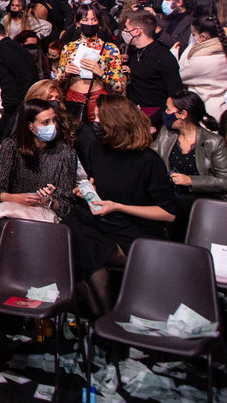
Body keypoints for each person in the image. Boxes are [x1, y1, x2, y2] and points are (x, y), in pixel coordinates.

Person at [69, 94, 177, 315]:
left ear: (115, 121)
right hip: (105, 223)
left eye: (99, 118)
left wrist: (118, 206)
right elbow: (105, 187)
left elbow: (169, 213)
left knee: (86, 249)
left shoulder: (148, 161)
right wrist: (90, 191)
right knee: (66, 231)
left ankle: (105, 319)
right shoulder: (99, 150)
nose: (94, 123)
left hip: (137, 232)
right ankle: (98, 317)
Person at [152, 90, 227, 231]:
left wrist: (191, 181)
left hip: (206, 203)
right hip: (174, 201)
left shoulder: (213, 142)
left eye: (168, 109)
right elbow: (152, 160)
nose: (165, 113)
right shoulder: (167, 134)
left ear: (183, 114)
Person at [0, 99, 78, 222]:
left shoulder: (66, 154)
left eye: (54, 120)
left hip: (45, 220)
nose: (53, 125)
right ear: (31, 126)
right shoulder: (11, 147)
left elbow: (66, 205)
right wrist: (16, 198)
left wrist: (49, 202)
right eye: (46, 122)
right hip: (12, 216)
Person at [57, 5, 124, 123]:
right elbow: (57, 83)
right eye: (85, 19)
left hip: (99, 99)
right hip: (73, 98)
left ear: (98, 22)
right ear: (77, 23)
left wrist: (101, 73)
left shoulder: (110, 49)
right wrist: (66, 73)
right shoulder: (68, 48)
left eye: (94, 20)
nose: (90, 23)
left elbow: (120, 87)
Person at [121, 9, 183, 125]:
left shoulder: (164, 57)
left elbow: (175, 94)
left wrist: (154, 120)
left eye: (127, 29)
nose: (124, 32)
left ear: (137, 31)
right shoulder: (134, 53)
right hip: (134, 114)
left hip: (154, 117)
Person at [0, 21, 39, 137]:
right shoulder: (15, 48)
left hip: (17, 108)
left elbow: (24, 76)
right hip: (19, 105)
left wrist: (18, 104)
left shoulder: (6, 49)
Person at [178, 15, 227, 119]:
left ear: (203, 37)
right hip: (225, 106)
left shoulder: (200, 60)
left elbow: (180, 74)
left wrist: (184, 50)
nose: (193, 38)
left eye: (194, 35)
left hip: (205, 109)